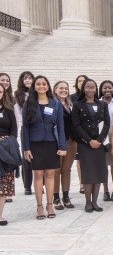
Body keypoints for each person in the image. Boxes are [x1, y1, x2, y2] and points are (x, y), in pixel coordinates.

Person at [22, 76, 67, 220]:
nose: (41, 86)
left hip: (51, 143)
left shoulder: (55, 104)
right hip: (34, 143)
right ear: (34, 87)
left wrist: (62, 145)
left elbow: (60, 126)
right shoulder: (28, 103)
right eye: (38, 84)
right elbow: (25, 128)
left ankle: (49, 205)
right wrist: (26, 148)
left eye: (44, 84)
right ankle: (39, 206)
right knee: (38, 175)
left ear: (48, 86)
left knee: (50, 174)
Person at [72, 79, 110, 213]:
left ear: (96, 89)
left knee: (99, 172)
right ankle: (88, 202)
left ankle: (95, 202)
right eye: (87, 87)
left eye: (93, 87)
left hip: (99, 144)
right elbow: (76, 125)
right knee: (88, 173)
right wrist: (89, 141)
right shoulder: (77, 105)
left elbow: (106, 124)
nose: (90, 89)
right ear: (83, 89)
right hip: (85, 144)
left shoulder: (102, 104)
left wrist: (99, 140)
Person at [52, 81, 77, 210]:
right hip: (57, 141)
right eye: (61, 88)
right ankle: (55, 197)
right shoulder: (52, 104)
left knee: (66, 170)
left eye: (66, 88)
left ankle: (66, 196)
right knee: (56, 170)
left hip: (71, 141)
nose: (64, 90)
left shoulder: (71, 104)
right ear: (55, 90)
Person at [0, 83, 21, 226]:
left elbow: (14, 129)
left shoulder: (8, 110)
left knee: (3, 185)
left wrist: (9, 142)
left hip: (5, 148)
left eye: (0, 91)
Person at [99, 80, 113, 201]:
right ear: (101, 89)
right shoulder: (97, 103)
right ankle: (105, 190)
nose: (107, 90)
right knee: (103, 165)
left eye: (110, 88)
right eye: (105, 88)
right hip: (101, 133)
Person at [14, 71, 34, 195]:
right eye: (25, 79)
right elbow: (18, 114)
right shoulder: (18, 95)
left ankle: (40, 184)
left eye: (30, 78)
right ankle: (27, 185)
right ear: (22, 81)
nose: (27, 81)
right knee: (26, 157)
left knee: (38, 157)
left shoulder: (36, 93)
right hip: (25, 128)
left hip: (36, 128)